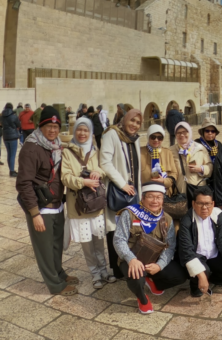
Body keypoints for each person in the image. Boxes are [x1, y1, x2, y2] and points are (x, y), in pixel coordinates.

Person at [17, 107, 77, 296]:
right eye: (49, 126)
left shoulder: (57, 146)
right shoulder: (31, 148)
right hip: (41, 208)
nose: (52, 130)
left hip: (57, 204)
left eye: (56, 126)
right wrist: (34, 213)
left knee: (56, 245)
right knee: (44, 248)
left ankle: (58, 272)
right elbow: (24, 183)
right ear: (41, 127)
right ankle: (55, 284)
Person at [114, 182, 186, 314]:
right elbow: (119, 240)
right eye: (151, 197)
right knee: (136, 275)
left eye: (159, 197)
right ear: (143, 198)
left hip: (154, 258)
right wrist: (131, 260)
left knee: (179, 276)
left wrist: (159, 265)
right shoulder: (129, 214)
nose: (155, 201)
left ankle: (151, 279)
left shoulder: (167, 219)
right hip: (132, 257)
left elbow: (170, 247)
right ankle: (142, 298)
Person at [61, 117, 113, 289]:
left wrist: (97, 172)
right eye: (79, 130)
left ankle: (104, 270)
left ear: (91, 132)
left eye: (86, 130)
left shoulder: (95, 151)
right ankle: (95, 273)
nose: (82, 133)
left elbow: (103, 167)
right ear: (74, 131)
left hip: (96, 205)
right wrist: (83, 182)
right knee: (87, 244)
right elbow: (65, 177)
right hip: (79, 206)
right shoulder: (67, 152)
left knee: (99, 240)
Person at [100, 107, 143, 279]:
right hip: (119, 191)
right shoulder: (112, 134)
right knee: (116, 229)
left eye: (138, 122)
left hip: (134, 192)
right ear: (125, 119)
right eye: (132, 120)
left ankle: (130, 264)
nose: (134, 124)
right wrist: (123, 184)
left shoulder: (135, 138)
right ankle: (117, 269)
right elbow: (105, 162)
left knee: (132, 228)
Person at [177, 186, 222, 297]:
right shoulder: (186, 220)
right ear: (193, 204)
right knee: (200, 273)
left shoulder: (217, 215)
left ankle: (210, 277)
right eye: (200, 203)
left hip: (213, 254)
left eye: (208, 204)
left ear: (213, 203)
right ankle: (197, 283)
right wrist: (201, 276)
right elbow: (186, 250)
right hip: (197, 256)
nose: (205, 207)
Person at [172, 121, 212, 200]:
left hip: (198, 190)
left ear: (189, 132)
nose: (182, 135)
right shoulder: (171, 151)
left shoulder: (200, 148)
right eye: (178, 133)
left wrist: (201, 169)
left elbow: (210, 167)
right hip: (179, 192)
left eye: (185, 132)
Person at [140, 125, 180, 198]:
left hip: (164, 193)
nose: (156, 140)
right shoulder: (140, 152)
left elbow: (174, 174)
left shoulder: (168, 152)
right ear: (148, 137)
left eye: (159, 138)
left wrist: (164, 181)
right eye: (153, 137)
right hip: (145, 194)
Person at [2, 102, 21, 176]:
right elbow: (19, 124)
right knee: (13, 154)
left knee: (9, 154)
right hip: (13, 136)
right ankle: (12, 171)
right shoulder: (14, 116)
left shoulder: (2, 116)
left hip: (5, 136)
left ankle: (11, 170)